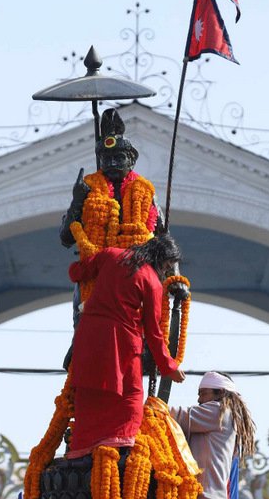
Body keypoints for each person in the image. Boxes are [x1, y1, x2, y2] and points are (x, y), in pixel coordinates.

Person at [59, 108, 188, 369]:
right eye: (106, 158)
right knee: (80, 303)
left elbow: (163, 239)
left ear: (131, 161)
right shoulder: (87, 190)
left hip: (136, 269)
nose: (113, 164)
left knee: (150, 304)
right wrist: (77, 200)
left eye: (119, 158)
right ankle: (80, 342)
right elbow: (65, 237)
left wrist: (174, 279)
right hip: (97, 269)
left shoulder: (145, 192)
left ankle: (151, 349)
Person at [66, 234, 186, 458]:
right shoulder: (152, 281)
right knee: (130, 394)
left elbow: (77, 272)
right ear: (160, 259)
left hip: (89, 336)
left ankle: (81, 447)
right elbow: (153, 332)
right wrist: (169, 367)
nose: (166, 271)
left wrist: (80, 261)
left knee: (88, 390)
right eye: (167, 266)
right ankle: (120, 445)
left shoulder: (111, 254)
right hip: (123, 342)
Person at [170, 372, 256, 499]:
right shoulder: (228, 416)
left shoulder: (220, 412)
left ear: (220, 392)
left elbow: (176, 415)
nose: (199, 400)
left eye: (203, 393)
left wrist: (145, 406)